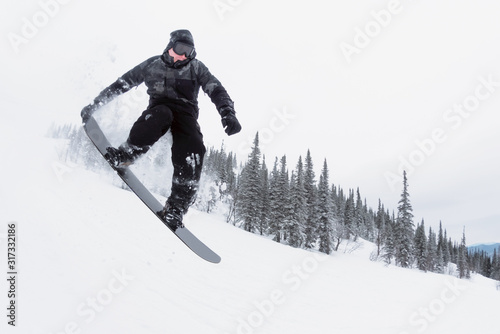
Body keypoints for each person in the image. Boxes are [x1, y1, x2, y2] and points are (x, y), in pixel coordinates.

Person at [81, 29, 241, 230]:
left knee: (193, 147)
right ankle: (127, 154)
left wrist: (228, 113)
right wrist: (95, 104)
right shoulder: (152, 65)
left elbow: (216, 90)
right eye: (180, 49)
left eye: (188, 52)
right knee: (160, 115)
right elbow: (121, 84)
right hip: (159, 109)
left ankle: (177, 207)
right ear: (170, 46)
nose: (183, 56)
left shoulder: (196, 67)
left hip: (186, 115)